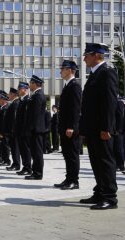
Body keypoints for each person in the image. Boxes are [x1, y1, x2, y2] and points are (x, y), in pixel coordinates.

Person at [79, 43, 118, 209]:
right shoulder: (95, 74)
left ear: (96, 55)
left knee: (105, 162)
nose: (84, 58)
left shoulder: (107, 73)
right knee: (96, 162)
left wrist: (106, 128)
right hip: (93, 128)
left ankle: (110, 198)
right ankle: (100, 193)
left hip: (102, 129)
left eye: (86, 55)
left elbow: (109, 103)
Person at [54, 60, 82, 190]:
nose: (61, 71)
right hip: (65, 127)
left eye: (63, 68)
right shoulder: (67, 85)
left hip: (70, 128)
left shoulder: (75, 86)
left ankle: (74, 181)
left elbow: (75, 108)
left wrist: (71, 126)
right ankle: (69, 178)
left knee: (72, 155)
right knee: (67, 154)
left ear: (70, 70)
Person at [25, 75, 46, 180]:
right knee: (34, 151)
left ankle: (38, 173)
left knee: (37, 152)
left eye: (30, 83)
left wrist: (31, 127)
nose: (29, 85)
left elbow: (36, 114)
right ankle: (35, 171)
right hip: (35, 128)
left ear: (35, 83)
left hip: (36, 128)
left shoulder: (38, 95)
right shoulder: (35, 94)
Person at [16, 82, 33, 175]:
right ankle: (25, 166)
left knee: (26, 150)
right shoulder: (21, 100)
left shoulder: (28, 100)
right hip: (20, 130)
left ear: (25, 89)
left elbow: (27, 117)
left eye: (20, 88)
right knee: (22, 149)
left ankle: (28, 168)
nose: (18, 90)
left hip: (25, 130)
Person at [6, 88, 21, 171]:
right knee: (13, 148)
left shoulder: (16, 103)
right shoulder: (13, 103)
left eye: (10, 94)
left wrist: (12, 129)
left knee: (15, 148)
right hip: (12, 130)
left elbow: (14, 118)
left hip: (14, 130)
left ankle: (17, 164)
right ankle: (15, 163)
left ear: (14, 94)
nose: (8, 95)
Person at [0, 91, 11, 166]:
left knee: (5, 146)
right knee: (2, 146)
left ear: (4, 100)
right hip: (1, 131)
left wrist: (2, 132)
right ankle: (4, 159)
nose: (0, 100)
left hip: (4, 131)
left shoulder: (6, 108)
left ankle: (7, 160)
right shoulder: (2, 108)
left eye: (1, 99)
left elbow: (4, 122)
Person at [114, 97, 125, 172]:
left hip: (120, 129)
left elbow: (120, 116)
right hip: (119, 129)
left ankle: (120, 165)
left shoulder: (119, 102)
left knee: (119, 147)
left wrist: (118, 129)